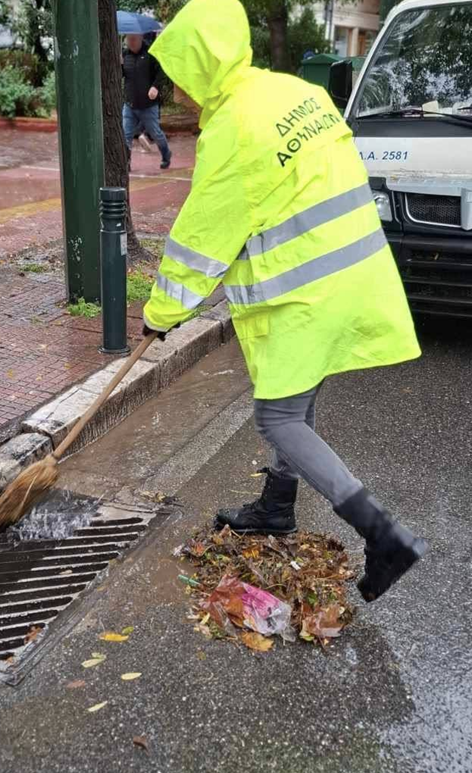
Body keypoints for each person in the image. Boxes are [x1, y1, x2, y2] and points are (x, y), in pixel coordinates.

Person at [141, 0, 427, 602]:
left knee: (278, 417)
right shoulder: (294, 92)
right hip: (356, 271)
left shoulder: (233, 129)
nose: (177, 92)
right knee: (300, 400)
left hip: (306, 291)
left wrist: (159, 314)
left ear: (199, 65)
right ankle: (276, 505)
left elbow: (201, 239)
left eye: (180, 75)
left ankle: (384, 536)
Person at [122, 33, 172, 170]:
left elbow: (161, 72)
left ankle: (166, 154)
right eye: (128, 39)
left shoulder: (150, 54)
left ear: (140, 38)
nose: (130, 42)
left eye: (133, 39)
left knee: (155, 132)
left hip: (148, 105)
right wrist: (119, 65)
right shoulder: (124, 55)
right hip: (130, 104)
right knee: (126, 135)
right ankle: (125, 163)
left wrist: (155, 86)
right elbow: (120, 75)